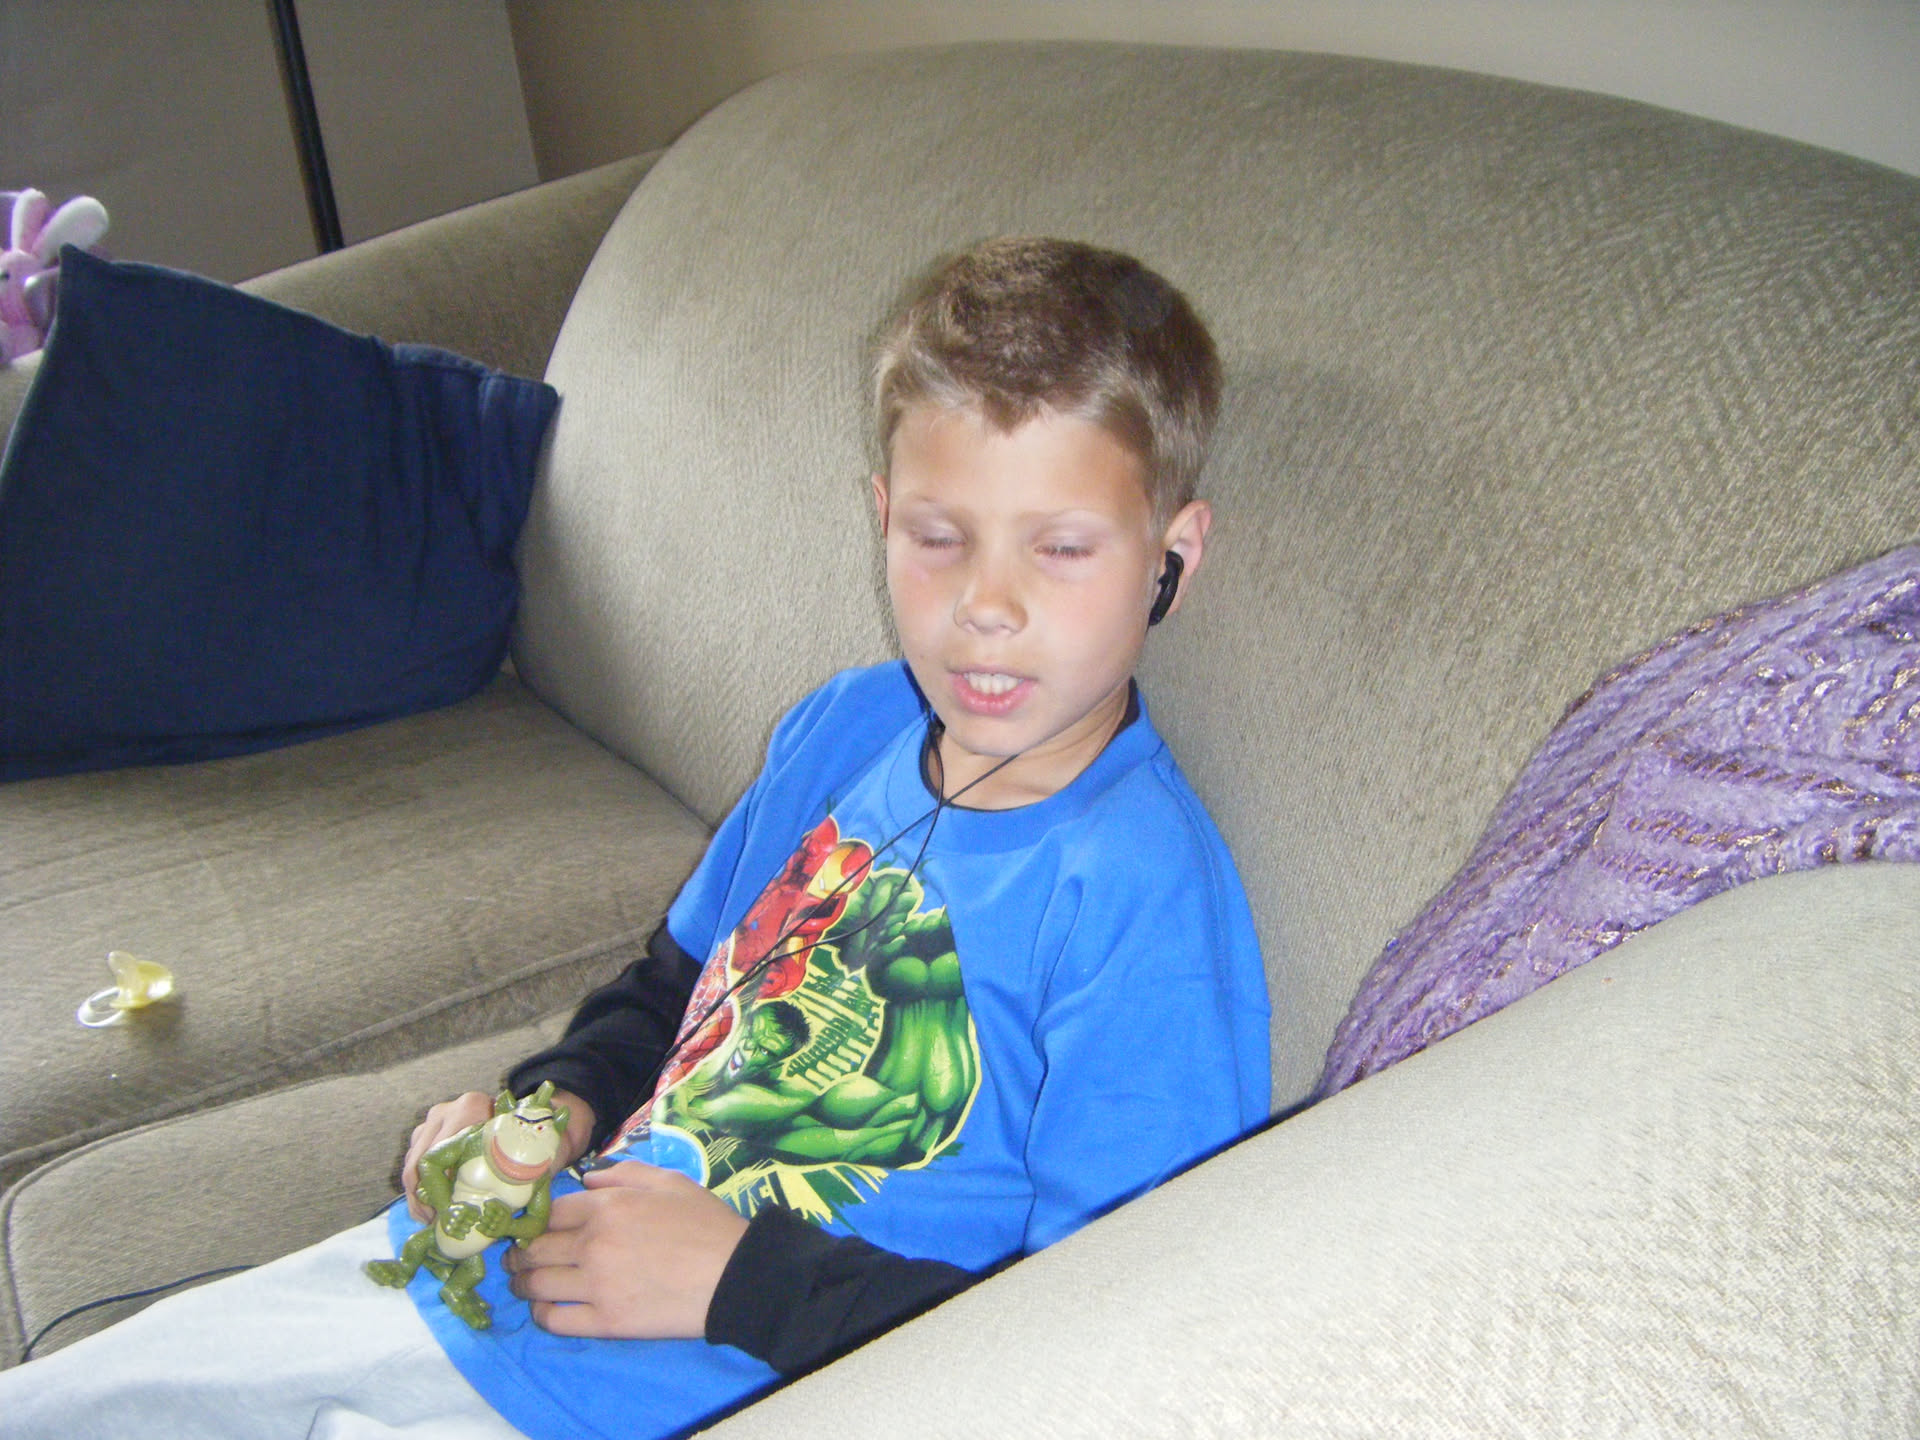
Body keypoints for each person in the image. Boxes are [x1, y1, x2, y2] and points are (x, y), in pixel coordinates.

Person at [0, 237, 1272, 1440]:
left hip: (660, 1399)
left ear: (1172, 556)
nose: (986, 606)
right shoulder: (847, 727)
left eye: (1061, 549)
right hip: (466, 1279)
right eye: (939, 539)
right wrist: (551, 1108)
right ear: (882, 514)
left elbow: (1121, 1331)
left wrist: (738, 1281)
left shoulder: (1138, 892)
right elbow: (670, 991)